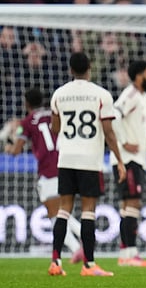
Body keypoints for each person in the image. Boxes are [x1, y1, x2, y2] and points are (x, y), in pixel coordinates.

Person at [48, 52, 126, 276]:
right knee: (88, 211)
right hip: (90, 160)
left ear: (70, 70)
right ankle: (89, 265)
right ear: (89, 68)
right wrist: (120, 161)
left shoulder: (59, 94)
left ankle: (55, 262)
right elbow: (109, 133)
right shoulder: (101, 95)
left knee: (64, 210)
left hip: (66, 158)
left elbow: (55, 129)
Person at [5, 88, 84, 264]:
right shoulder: (55, 114)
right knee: (58, 211)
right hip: (66, 164)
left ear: (26, 104)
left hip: (48, 170)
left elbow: (17, 150)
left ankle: (83, 237)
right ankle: (77, 248)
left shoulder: (26, 123)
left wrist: (8, 147)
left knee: (55, 213)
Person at [111, 60, 146, 267]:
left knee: (128, 206)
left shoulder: (142, 96)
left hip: (135, 160)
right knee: (132, 203)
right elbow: (113, 116)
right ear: (139, 76)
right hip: (128, 159)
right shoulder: (130, 95)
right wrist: (124, 141)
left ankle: (126, 253)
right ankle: (130, 255)